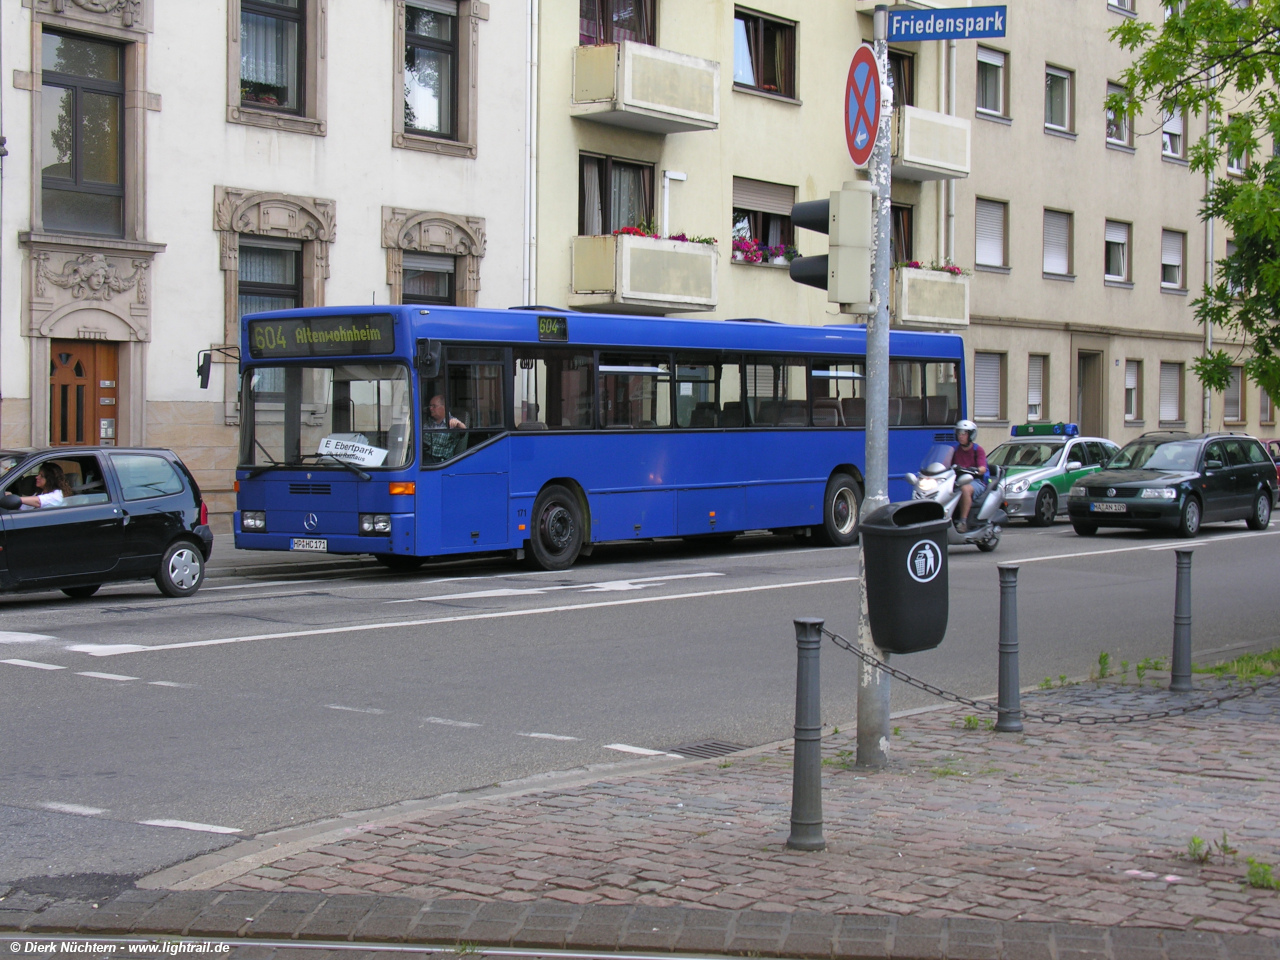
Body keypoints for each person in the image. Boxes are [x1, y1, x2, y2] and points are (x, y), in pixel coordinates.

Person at [952, 419, 987, 532]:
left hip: (975, 481)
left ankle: (963, 521)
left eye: (964, 433)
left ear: (971, 435)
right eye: (959, 433)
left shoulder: (978, 450)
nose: (961, 436)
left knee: (965, 489)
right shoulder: (954, 450)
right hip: (958, 480)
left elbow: (983, 468)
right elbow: (945, 463)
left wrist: (975, 469)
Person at [424, 394, 466, 462]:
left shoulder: (452, 422)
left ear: (444, 407)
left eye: (434, 406)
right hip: (423, 456)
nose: (430, 408)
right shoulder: (428, 421)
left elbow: (464, 430)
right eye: (430, 406)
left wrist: (458, 423)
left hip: (440, 461)